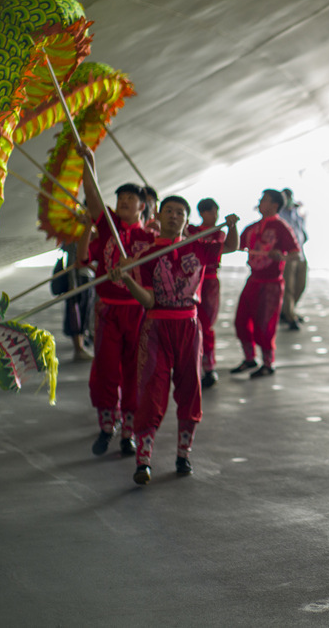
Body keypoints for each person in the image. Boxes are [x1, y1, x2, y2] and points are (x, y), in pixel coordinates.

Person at [108, 197, 239, 484]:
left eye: (180, 212)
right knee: (151, 390)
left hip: (189, 326)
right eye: (168, 211)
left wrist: (232, 225)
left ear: (186, 218)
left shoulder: (198, 246)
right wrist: (128, 280)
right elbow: (149, 300)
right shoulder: (147, 254)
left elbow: (231, 247)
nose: (174, 216)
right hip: (156, 327)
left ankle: (183, 455)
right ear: (160, 215)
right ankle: (143, 461)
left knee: (190, 388)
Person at [78, 147, 155, 457]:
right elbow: (94, 196)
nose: (123, 202)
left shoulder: (151, 239)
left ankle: (129, 432)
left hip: (137, 313)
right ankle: (106, 427)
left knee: (134, 371)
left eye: (130, 199)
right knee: (107, 369)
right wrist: (90, 162)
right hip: (107, 309)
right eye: (120, 197)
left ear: (143, 206)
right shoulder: (108, 225)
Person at [231, 189, 302, 378]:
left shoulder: (281, 227)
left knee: (265, 325)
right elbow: (235, 245)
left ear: (274, 205)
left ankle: (268, 363)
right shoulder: (253, 227)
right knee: (241, 321)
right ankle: (250, 359)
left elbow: (296, 254)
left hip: (271, 284)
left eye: (264, 200)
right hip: (253, 280)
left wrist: (282, 257)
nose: (260, 202)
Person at [187, 198, 226, 389]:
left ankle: (209, 368)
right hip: (193, 281)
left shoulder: (219, 233)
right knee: (193, 325)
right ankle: (194, 367)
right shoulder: (192, 231)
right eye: (212, 211)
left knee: (206, 324)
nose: (216, 215)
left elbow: (221, 247)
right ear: (202, 213)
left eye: (216, 212)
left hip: (209, 281)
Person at [279, 188, 308, 331]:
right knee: (288, 287)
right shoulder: (280, 213)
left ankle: (288, 310)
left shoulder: (296, 213)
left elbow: (303, 233)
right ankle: (289, 316)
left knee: (300, 285)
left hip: (300, 254)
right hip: (288, 255)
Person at [61, 240, 94, 362]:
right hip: (79, 279)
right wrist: (72, 284)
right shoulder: (73, 237)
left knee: (84, 313)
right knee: (77, 314)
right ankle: (78, 349)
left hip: (86, 277)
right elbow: (71, 262)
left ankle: (81, 347)